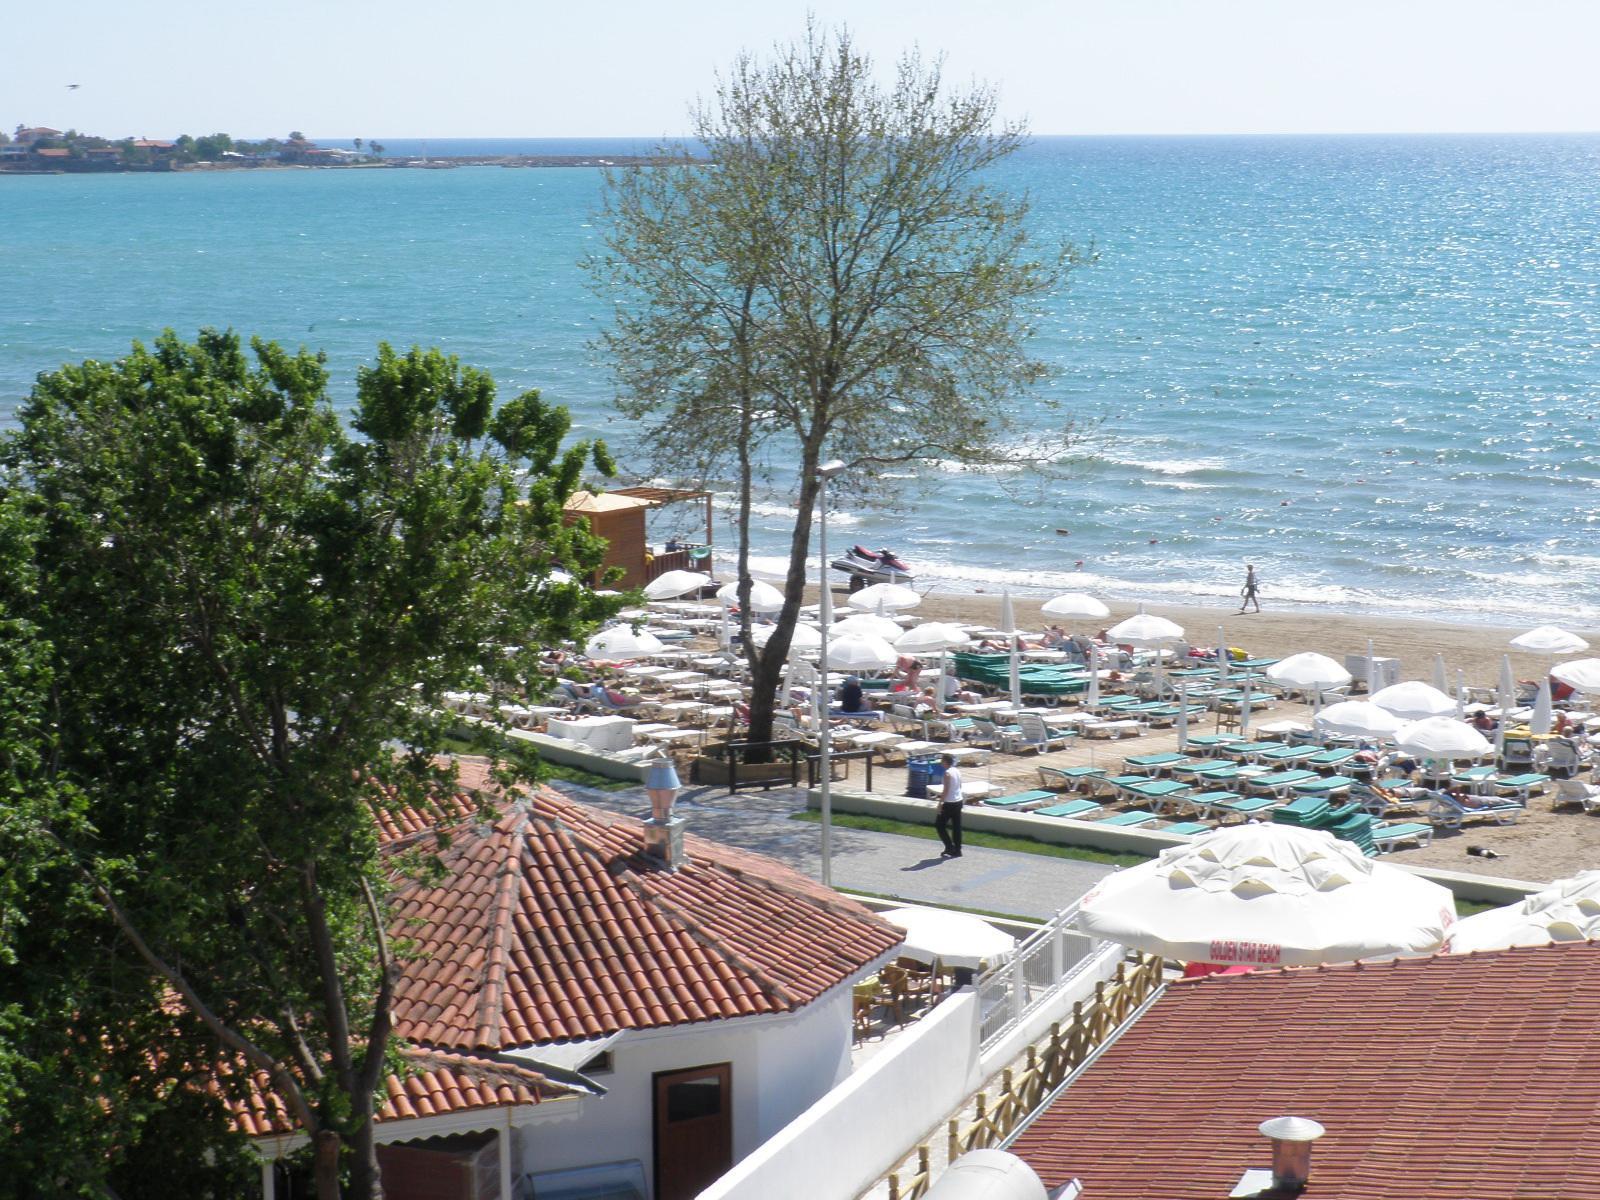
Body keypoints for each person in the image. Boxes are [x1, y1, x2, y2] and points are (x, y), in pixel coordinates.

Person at [935, 753, 965, 858]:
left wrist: (940, 803)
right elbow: (960, 785)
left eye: (942, 761)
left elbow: (946, 790)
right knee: (956, 826)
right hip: (959, 801)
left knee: (939, 825)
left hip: (949, 803)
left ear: (945, 762)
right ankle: (957, 849)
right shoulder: (957, 771)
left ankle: (949, 846)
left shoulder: (947, 773)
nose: (941, 763)